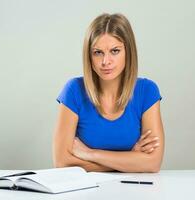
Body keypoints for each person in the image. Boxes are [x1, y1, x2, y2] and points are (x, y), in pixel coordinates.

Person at [53, 13, 164, 173]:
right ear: (89, 56)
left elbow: (152, 163)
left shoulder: (147, 91)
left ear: (128, 52)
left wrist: (90, 154)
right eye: (98, 52)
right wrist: (130, 159)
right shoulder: (74, 91)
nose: (106, 61)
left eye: (115, 51)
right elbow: (62, 163)